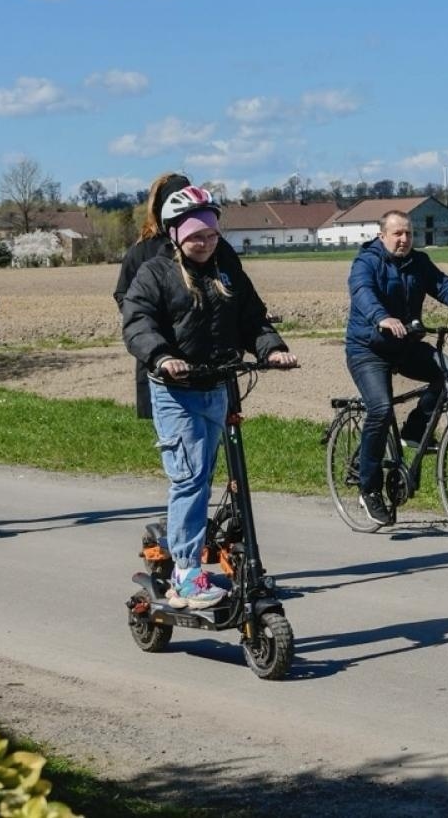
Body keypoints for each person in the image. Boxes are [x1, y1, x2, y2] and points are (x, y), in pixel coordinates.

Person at [121, 186, 298, 609]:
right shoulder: (156, 274)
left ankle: (243, 567)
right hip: (175, 392)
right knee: (190, 479)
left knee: (219, 477)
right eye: (196, 236)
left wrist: (271, 348)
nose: (205, 243)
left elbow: (252, 318)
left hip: (217, 384)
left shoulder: (227, 271)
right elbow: (137, 323)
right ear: (176, 235)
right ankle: (185, 574)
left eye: (212, 235)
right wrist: (162, 356)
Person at [344, 210, 448, 527]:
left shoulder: (419, 263)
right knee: (381, 408)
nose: (404, 239)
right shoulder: (366, 262)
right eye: (397, 234)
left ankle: (414, 430)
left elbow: (445, 286)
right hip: (368, 348)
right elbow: (363, 293)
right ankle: (368, 488)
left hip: (405, 344)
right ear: (382, 235)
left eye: (408, 234)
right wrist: (381, 317)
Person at [115, 171, 241, 420]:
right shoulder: (143, 252)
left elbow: (236, 286)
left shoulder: (216, 246)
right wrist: (160, 329)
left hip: (213, 360)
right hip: (167, 360)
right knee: (180, 440)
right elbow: (127, 300)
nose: (205, 242)